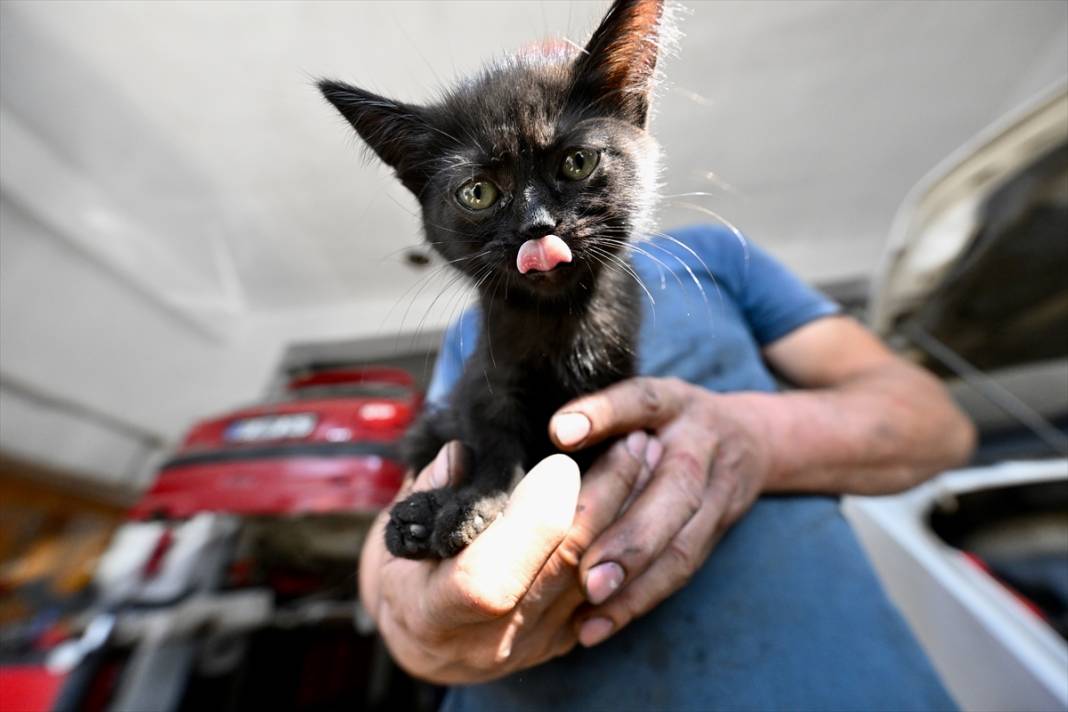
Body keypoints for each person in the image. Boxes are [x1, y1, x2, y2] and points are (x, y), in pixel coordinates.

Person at [359, 224, 976, 710]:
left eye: (571, 158)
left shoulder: (709, 253)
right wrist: (414, 626)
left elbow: (937, 425)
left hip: (811, 676)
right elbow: (416, 500)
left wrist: (754, 437)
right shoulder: (469, 322)